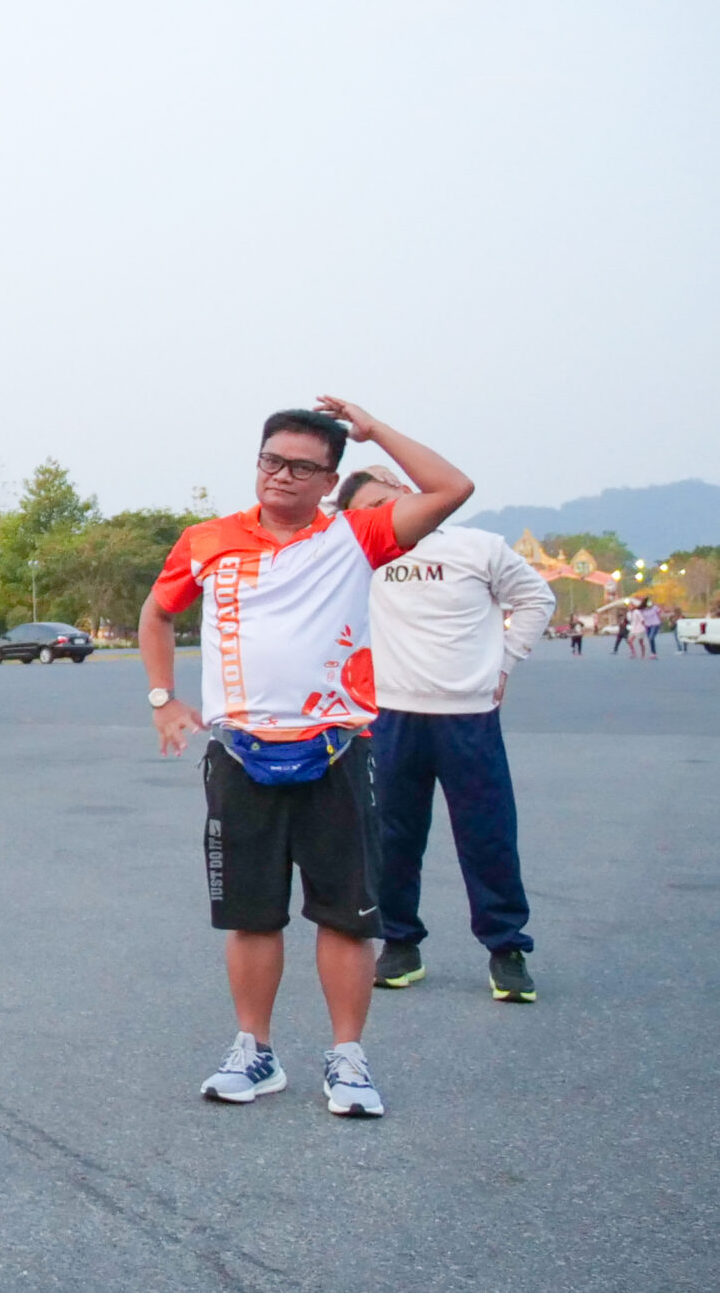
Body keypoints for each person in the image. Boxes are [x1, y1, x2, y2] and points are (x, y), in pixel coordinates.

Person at [139, 403, 471, 1119]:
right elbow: (158, 611)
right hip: (240, 754)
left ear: (329, 480)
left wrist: (377, 431)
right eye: (271, 461)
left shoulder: (358, 535)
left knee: (347, 918)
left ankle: (348, 1059)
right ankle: (254, 1051)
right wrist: (163, 697)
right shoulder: (207, 540)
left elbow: (453, 489)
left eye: (301, 467)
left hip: (337, 749)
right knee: (252, 915)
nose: (282, 476)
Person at [337, 468, 553, 1003]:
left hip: (468, 714)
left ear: (409, 494)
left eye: (388, 501)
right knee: (392, 837)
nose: (384, 515)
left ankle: (506, 950)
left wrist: (504, 663)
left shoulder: (478, 547)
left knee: (488, 835)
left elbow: (536, 598)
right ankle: (400, 944)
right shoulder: (358, 554)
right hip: (391, 715)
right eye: (367, 511)